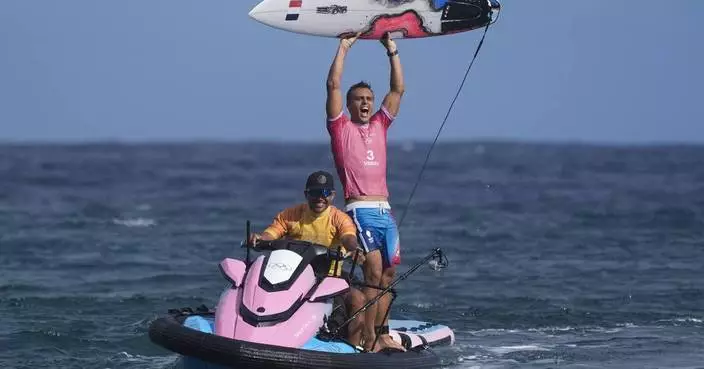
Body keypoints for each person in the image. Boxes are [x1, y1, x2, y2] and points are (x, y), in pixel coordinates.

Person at [324, 31, 406, 352]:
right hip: (359, 210)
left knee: (387, 274)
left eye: (369, 100)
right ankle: (368, 338)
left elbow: (398, 89)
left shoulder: (380, 125)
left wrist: (392, 49)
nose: (365, 104)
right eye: (359, 99)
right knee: (371, 270)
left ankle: (381, 331)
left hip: (385, 211)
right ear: (349, 103)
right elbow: (332, 85)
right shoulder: (340, 128)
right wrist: (344, 47)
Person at [248, 170, 368, 349]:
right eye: (314, 193)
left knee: (358, 299)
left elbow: (348, 237)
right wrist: (258, 239)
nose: (320, 198)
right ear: (306, 194)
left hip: (330, 278)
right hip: (292, 277)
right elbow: (270, 235)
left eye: (325, 193)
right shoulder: (290, 215)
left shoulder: (339, 218)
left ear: (333, 196)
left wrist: (353, 248)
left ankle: (353, 350)